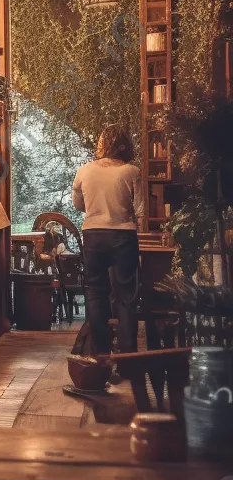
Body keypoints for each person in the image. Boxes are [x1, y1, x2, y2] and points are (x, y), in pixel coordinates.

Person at [72, 126, 144, 355]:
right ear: (125, 145)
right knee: (125, 296)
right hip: (123, 235)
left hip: (93, 234)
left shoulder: (84, 171)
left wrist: (95, 207)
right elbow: (141, 211)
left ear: (103, 144)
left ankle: (100, 355)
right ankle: (127, 358)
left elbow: (78, 205)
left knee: (94, 292)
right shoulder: (132, 171)